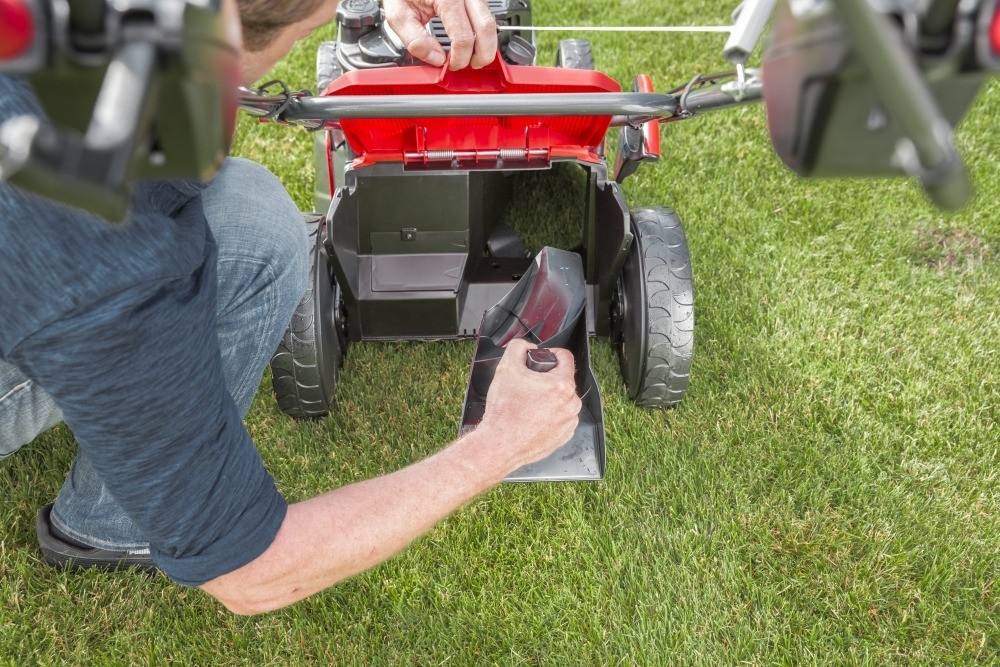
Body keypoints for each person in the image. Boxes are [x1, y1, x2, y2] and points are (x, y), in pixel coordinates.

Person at [0, 0, 581, 615]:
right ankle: (108, 529)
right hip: (57, 246)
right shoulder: (95, 239)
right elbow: (254, 574)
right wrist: (498, 444)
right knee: (155, 278)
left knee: (252, 217)